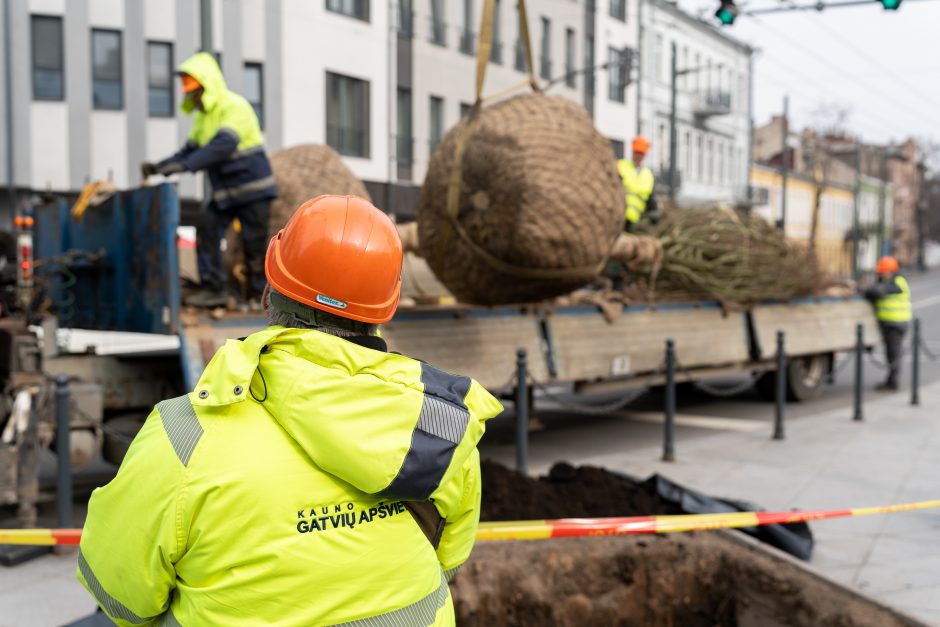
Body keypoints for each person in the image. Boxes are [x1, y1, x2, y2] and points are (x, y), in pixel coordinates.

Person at [77, 195, 503, 626]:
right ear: (385, 310)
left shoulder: (184, 438)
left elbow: (119, 595)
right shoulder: (440, 427)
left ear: (269, 290)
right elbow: (447, 560)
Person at [142, 51, 277, 309]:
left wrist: (184, 166)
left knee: (255, 245)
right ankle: (214, 288)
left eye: (194, 92)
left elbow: (223, 145)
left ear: (207, 87)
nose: (191, 97)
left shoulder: (234, 106)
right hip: (225, 192)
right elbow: (190, 149)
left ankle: (261, 298)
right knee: (207, 226)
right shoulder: (203, 118)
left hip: (252, 190)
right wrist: (160, 166)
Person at [863, 255, 912, 391]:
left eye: (882, 271)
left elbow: (880, 291)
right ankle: (891, 380)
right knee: (891, 353)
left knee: (893, 354)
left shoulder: (898, 282)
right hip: (890, 323)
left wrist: (869, 289)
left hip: (896, 324)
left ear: (890, 271)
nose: (880, 273)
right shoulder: (887, 281)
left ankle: (893, 382)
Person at [617, 135, 660, 231]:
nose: (638, 156)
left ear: (645, 155)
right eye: (636, 152)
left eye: (641, 153)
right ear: (632, 152)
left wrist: (654, 211)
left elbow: (650, 198)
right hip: (617, 218)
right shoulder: (620, 166)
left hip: (635, 222)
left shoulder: (648, 175)